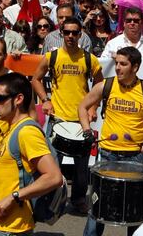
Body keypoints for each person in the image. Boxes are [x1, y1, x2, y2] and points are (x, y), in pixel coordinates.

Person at [79, 46, 143, 236]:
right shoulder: (106, 86)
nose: (118, 67)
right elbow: (83, 106)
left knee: (135, 212)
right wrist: (87, 130)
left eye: (123, 64)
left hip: (136, 159)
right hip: (107, 155)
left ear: (135, 67)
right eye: (117, 63)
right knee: (98, 209)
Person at [32, 17, 103, 214]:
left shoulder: (89, 59)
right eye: (67, 32)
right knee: (51, 165)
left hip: (81, 121)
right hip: (57, 120)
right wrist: (45, 99)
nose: (70, 36)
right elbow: (35, 79)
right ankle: (51, 200)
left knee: (81, 169)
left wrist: (93, 107)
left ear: (80, 34)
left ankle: (79, 199)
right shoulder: (52, 57)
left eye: (74, 32)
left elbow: (99, 86)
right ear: (61, 33)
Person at [0, 72, 63, 235]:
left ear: (18, 99)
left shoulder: (26, 132)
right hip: (1, 225)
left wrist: (13, 197)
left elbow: (54, 177)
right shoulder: (11, 129)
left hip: (11, 228)